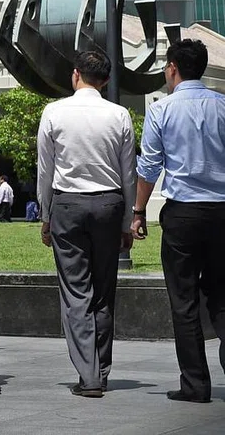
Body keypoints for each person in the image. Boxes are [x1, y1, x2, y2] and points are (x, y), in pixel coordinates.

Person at [36, 50, 136, 398]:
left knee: (76, 291)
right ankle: (103, 370)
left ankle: (88, 375)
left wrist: (46, 215)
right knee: (104, 290)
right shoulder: (119, 114)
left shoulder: (54, 111)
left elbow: (45, 171)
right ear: (106, 80)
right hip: (109, 203)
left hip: (68, 204)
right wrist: (127, 221)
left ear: (75, 74)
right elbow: (128, 174)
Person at [131, 39, 225, 403]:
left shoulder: (161, 110)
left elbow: (149, 166)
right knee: (222, 293)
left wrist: (138, 212)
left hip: (183, 213)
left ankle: (196, 384)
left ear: (172, 68)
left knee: (183, 300)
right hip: (222, 211)